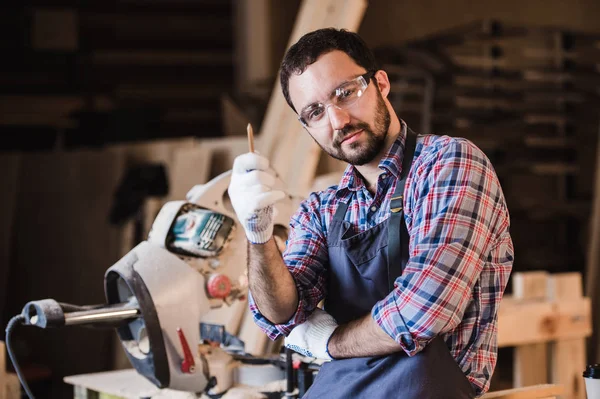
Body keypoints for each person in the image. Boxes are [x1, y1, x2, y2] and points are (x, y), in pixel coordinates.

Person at [228, 28, 513, 398]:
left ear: (380, 82)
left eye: (345, 93)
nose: (337, 120)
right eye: (315, 112)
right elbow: (281, 313)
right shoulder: (322, 208)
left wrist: (327, 343)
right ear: (305, 126)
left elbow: (423, 312)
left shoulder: (449, 165)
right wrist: (258, 234)